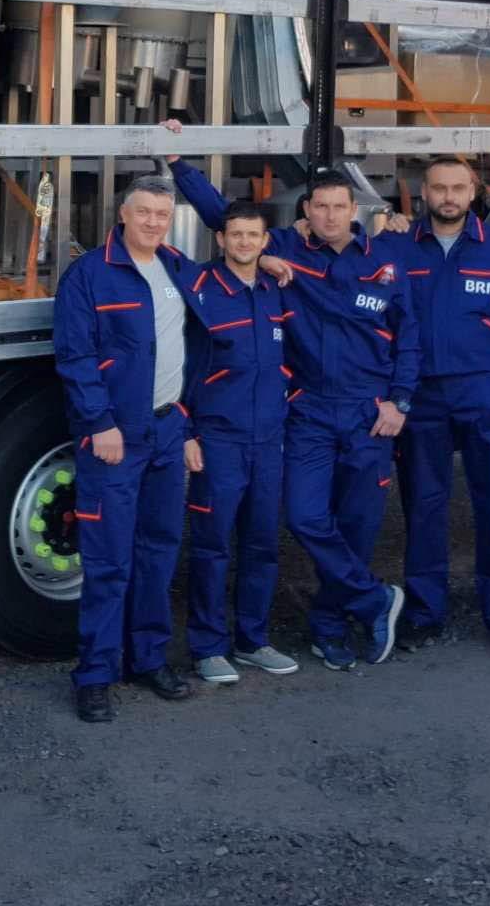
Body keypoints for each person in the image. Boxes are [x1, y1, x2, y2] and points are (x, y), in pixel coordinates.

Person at [161, 123, 413, 673]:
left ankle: (329, 628)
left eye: (339, 206)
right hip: (308, 411)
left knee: (355, 527)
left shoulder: (387, 259)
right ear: (306, 213)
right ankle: (373, 599)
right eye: (320, 206)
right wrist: (179, 164)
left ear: (354, 210)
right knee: (302, 516)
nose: (330, 215)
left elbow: (409, 335)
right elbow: (225, 218)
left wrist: (401, 401)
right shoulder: (282, 250)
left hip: (370, 411)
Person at [55, 174, 288, 722]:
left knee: (159, 551)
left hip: (166, 432)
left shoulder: (177, 266)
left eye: (162, 215)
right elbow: (75, 356)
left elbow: (231, 267)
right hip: (115, 436)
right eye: (144, 213)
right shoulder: (90, 275)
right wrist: (99, 423)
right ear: (123, 214)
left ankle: (149, 659)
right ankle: (95, 675)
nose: (154, 223)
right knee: (109, 561)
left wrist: (270, 260)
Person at [378, 157, 490, 657]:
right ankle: (424, 611)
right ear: (423, 193)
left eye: (457, 188)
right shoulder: (397, 246)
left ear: (473, 193)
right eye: (439, 188)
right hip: (420, 395)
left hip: (483, 393)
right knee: (424, 506)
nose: (448, 196)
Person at [178, 199, 304, 684]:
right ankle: (208, 647)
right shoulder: (200, 288)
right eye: (236, 234)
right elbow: (181, 364)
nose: (244, 242)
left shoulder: (275, 290)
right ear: (220, 239)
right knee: (212, 547)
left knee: (262, 545)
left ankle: (253, 641)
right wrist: (188, 432)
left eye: (253, 235)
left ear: (265, 241)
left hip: (268, 440)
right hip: (218, 440)